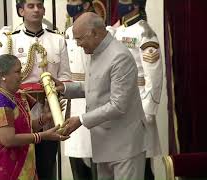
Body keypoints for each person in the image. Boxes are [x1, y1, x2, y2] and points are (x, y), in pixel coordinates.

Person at [55, 12, 147, 180]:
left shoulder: (119, 57)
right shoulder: (95, 50)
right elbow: (94, 87)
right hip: (104, 143)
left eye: (80, 39)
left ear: (95, 33)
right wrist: (65, 88)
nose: (78, 44)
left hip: (124, 144)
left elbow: (118, 105)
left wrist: (81, 120)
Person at [0, 0, 71, 179]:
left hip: (49, 110)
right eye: (30, 6)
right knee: (20, 167)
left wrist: (62, 114)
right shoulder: (10, 40)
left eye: (39, 5)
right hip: (20, 112)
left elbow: (66, 78)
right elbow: (0, 79)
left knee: (46, 166)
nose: (36, 10)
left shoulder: (57, 40)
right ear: (21, 10)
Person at [0, 54, 69, 180]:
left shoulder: (16, 95)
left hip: (18, 164)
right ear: (3, 75)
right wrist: (42, 136)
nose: (21, 75)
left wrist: (44, 118)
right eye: (17, 71)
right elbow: (8, 139)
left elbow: (26, 127)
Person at [108, 1, 163, 179]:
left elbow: (154, 78)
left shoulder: (145, 33)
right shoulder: (119, 31)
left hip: (139, 107)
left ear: (136, 4)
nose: (121, 3)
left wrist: (147, 112)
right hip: (119, 106)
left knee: (143, 167)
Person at [64, 0, 103, 179]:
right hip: (73, 100)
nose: (70, 4)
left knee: (97, 158)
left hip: (93, 97)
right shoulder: (66, 34)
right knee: (77, 161)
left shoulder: (97, 30)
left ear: (86, 4)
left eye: (74, 0)